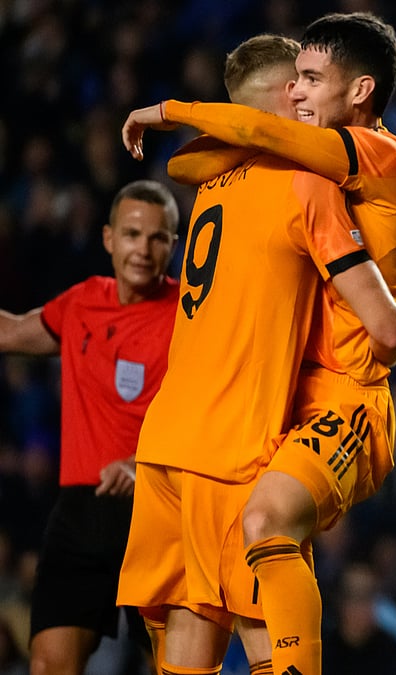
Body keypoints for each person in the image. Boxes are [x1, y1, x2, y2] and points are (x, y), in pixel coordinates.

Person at [120, 13, 396, 674]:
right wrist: (386, 281)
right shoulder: (304, 181)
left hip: (299, 411)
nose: (306, 95)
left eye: (316, 80)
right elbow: (227, 149)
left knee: (247, 549)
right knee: (246, 574)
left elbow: (227, 144)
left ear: (361, 89)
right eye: (301, 82)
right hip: (258, 419)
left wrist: (171, 111)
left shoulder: (221, 183)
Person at [0, 179, 179, 675]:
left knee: (178, 669)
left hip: (158, 510)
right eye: (132, 234)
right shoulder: (82, 303)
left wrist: (144, 465)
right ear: (108, 239)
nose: (143, 249)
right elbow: (12, 330)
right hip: (80, 512)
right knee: (48, 666)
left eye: (157, 237)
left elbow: (214, 416)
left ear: (173, 244)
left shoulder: (191, 318)